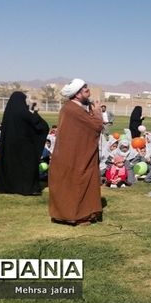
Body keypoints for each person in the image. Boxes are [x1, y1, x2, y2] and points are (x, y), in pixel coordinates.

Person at [49, 78, 104, 226]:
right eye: (85, 90)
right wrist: (97, 112)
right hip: (75, 155)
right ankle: (77, 215)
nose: (89, 91)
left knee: (69, 183)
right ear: (78, 94)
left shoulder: (71, 108)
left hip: (74, 152)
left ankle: (65, 214)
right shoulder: (73, 110)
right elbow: (96, 126)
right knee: (77, 181)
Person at [0, 92, 49, 195]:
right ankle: (26, 188)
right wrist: (35, 112)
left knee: (11, 165)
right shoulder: (24, 113)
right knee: (25, 166)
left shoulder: (9, 113)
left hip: (10, 145)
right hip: (24, 146)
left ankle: (10, 186)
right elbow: (42, 126)